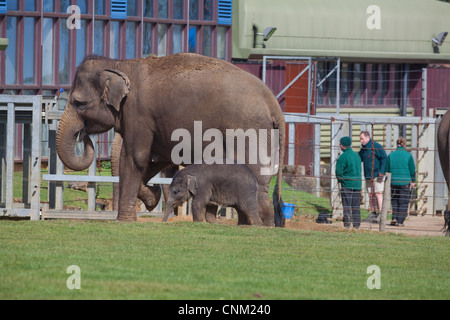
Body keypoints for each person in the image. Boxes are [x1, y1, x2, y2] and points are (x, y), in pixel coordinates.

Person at [385, 137, 416, 227]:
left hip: (393, 182)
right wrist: (413, 181)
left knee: (394, 200)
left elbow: (386, 169)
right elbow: (412, 169)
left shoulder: (391, 155)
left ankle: (394, 217)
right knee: (403, 201)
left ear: (396, 145)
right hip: (404, 182)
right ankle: (400, 221)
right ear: (404, 145)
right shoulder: (408, 155)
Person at [359, 131, 387, 223]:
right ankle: (373, 212)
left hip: (377, 175)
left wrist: (382, 172)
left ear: (367, 138)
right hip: (368, 175)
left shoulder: (376, 146)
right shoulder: (363, 149)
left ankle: (381, 214)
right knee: (370, 194)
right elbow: (359, 158)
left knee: (378, 193)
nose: (361, 141)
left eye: (362, 139)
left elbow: (384, 158)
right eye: (360, 139)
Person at [336, 136, 362, 229]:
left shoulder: (343, 157)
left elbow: (339, 172)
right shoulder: (357, 155)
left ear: (342, 145)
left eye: (340, 143)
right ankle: (357, 224)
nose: (339, 145)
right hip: (357, 184)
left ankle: (347, 224)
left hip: (347, 184)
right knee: (356, 206)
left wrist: (340, 180)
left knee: (347, 205)